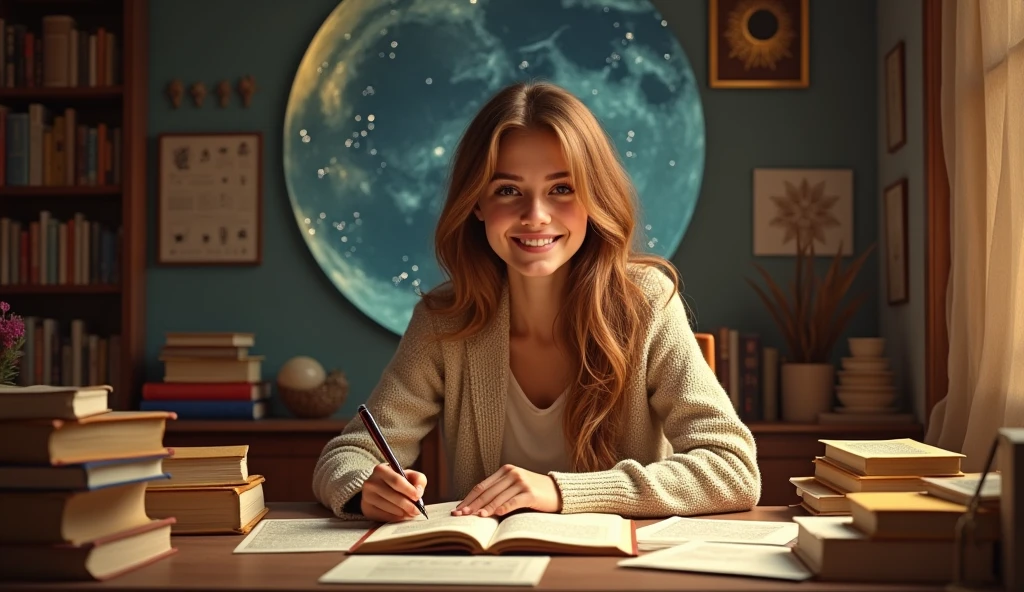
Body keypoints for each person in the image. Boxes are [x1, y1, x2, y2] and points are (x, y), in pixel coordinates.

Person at [312, 81, 760, 523]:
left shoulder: (646, 303)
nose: (535, 215)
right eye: (508, 190)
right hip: (488, 571)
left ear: (593, 198)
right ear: (477, 205)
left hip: (617, 571)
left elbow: (733, 469)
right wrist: (365, 488)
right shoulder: (444, 320)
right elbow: (350, 454)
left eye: (562, 189)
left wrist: (559, 491)